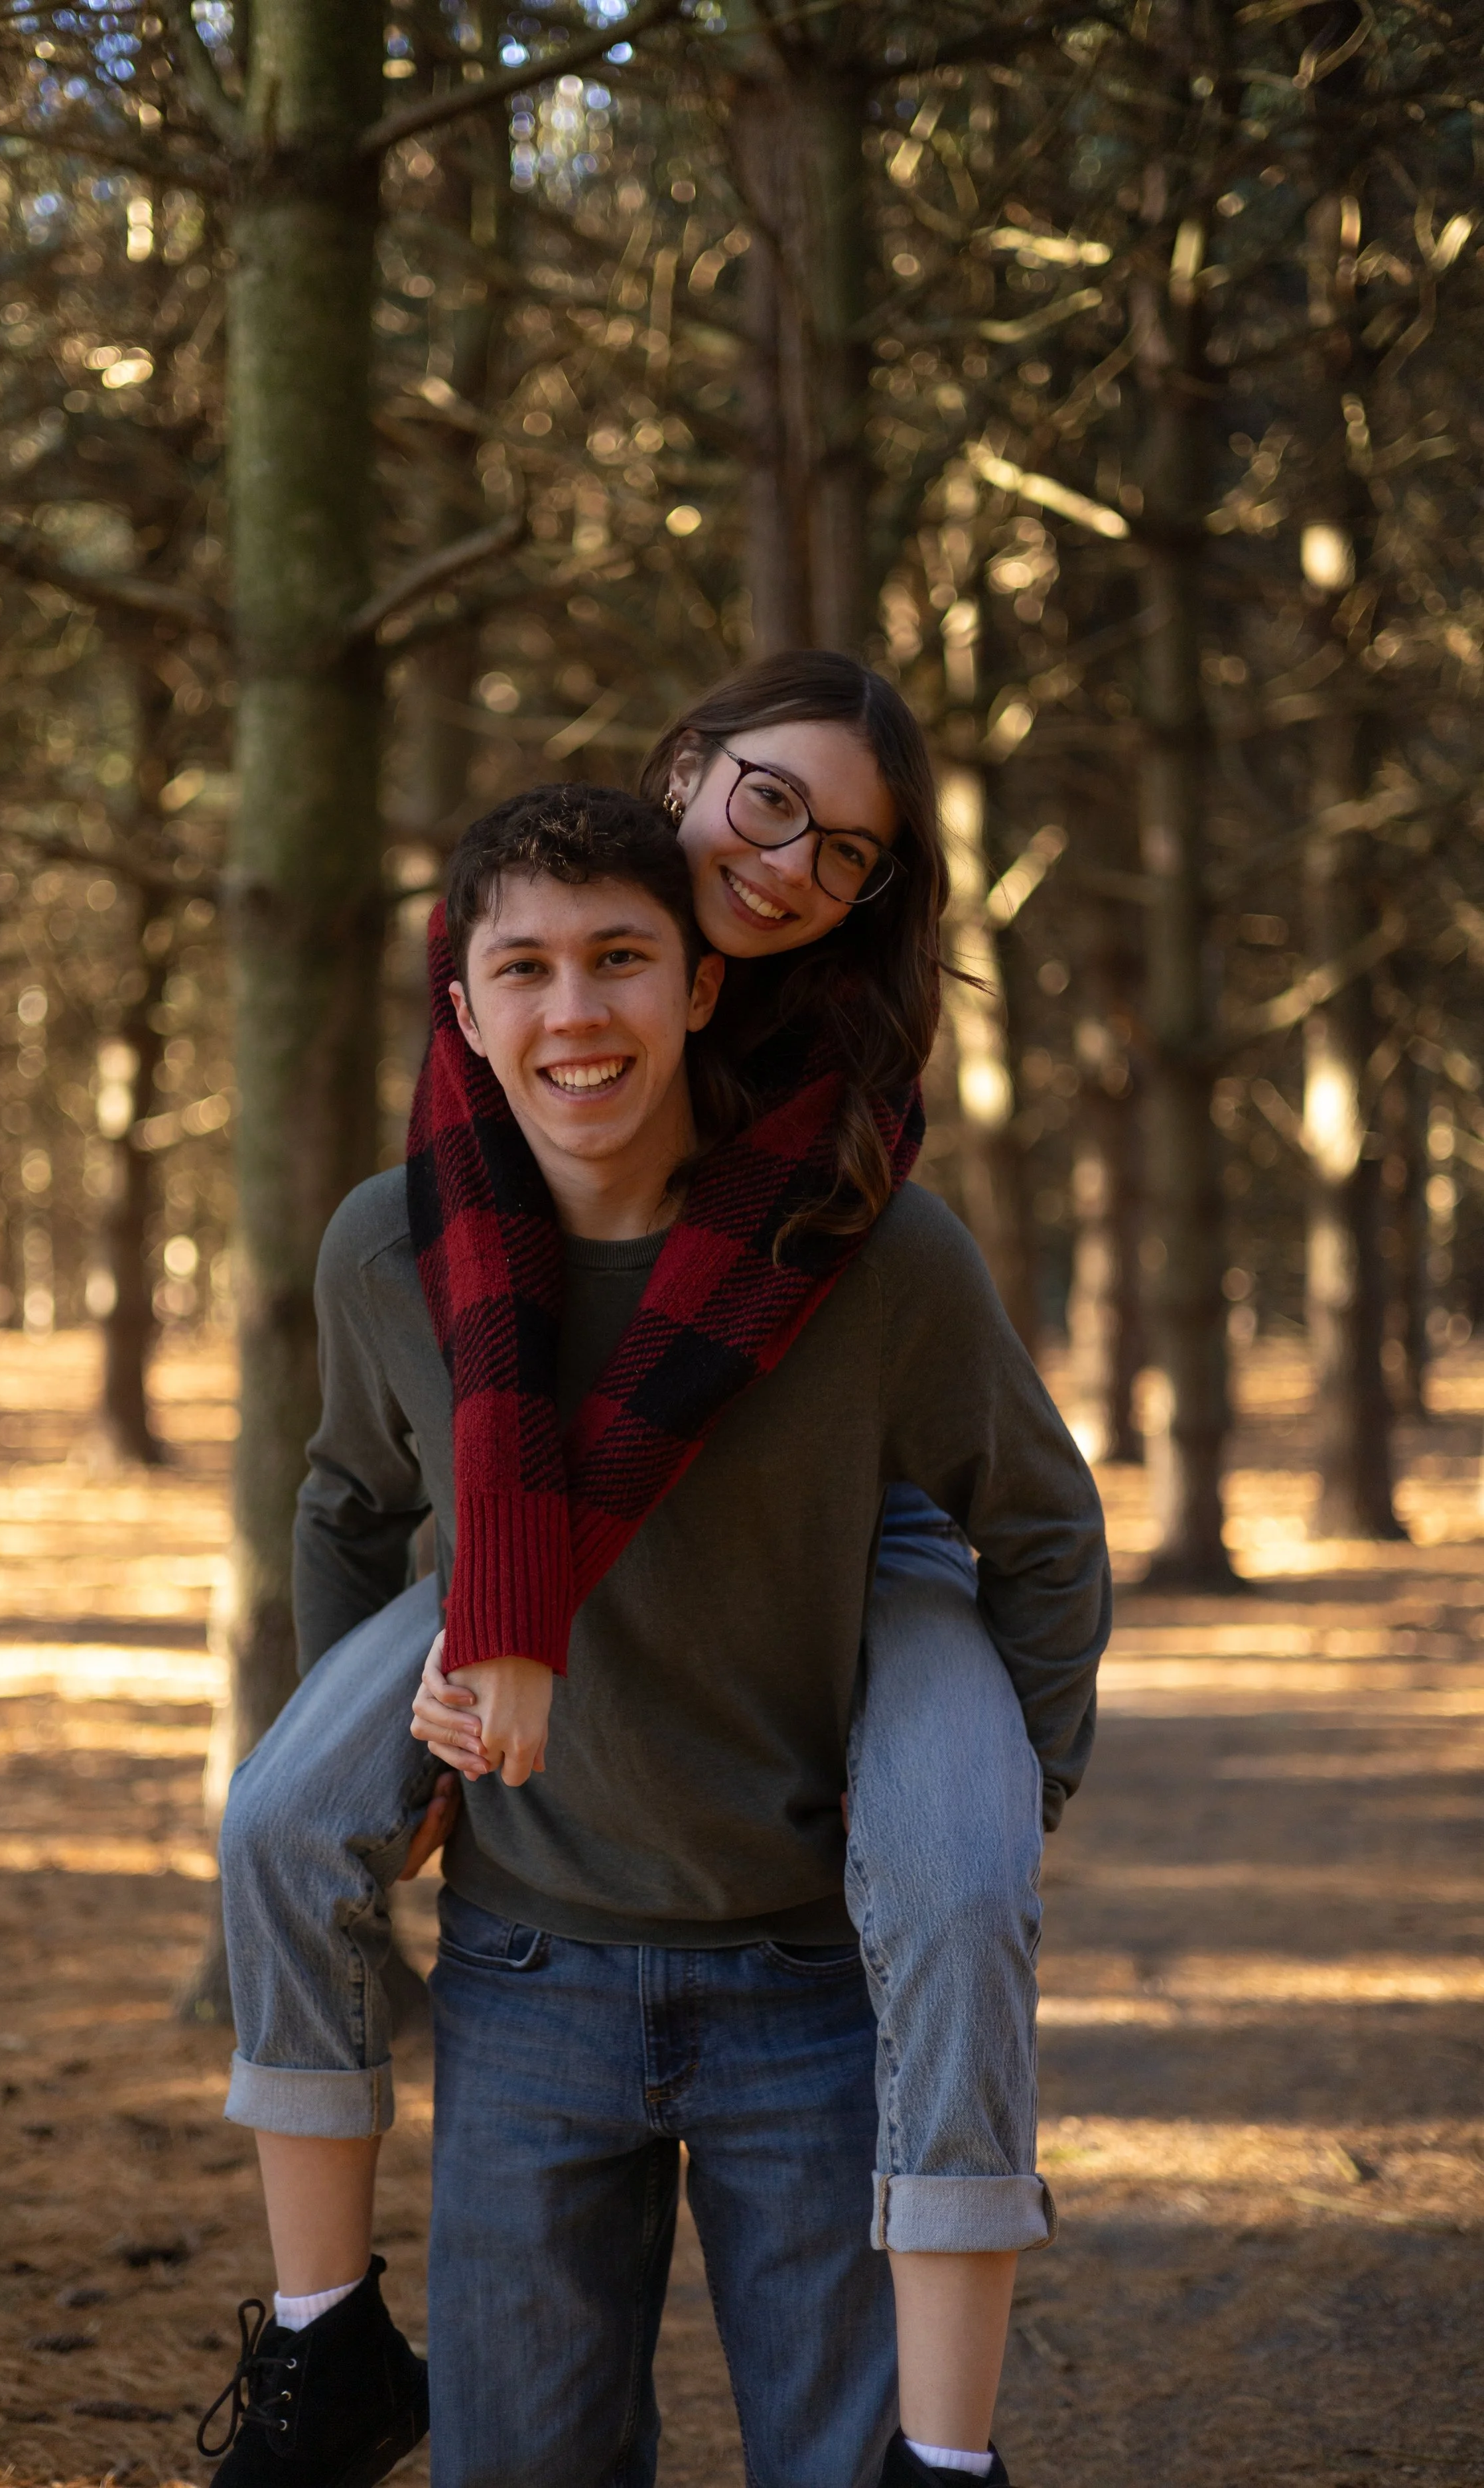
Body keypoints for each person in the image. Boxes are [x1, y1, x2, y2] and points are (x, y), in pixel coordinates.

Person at [200, 683, 1109, 2485]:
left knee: (950, 1852)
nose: (784, 868)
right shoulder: (426, 1203)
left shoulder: (844, 1180)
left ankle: (951, 2454)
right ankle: (323, 2346)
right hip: (540, 1956)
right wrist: (408, 1748)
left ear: (704, 980)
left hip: (828, 1800)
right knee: (283, 1811)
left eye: (841, 852)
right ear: (679, 776)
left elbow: (1033, 1522)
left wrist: (1018, 1785)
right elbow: (350, 1492)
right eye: (763, 807)